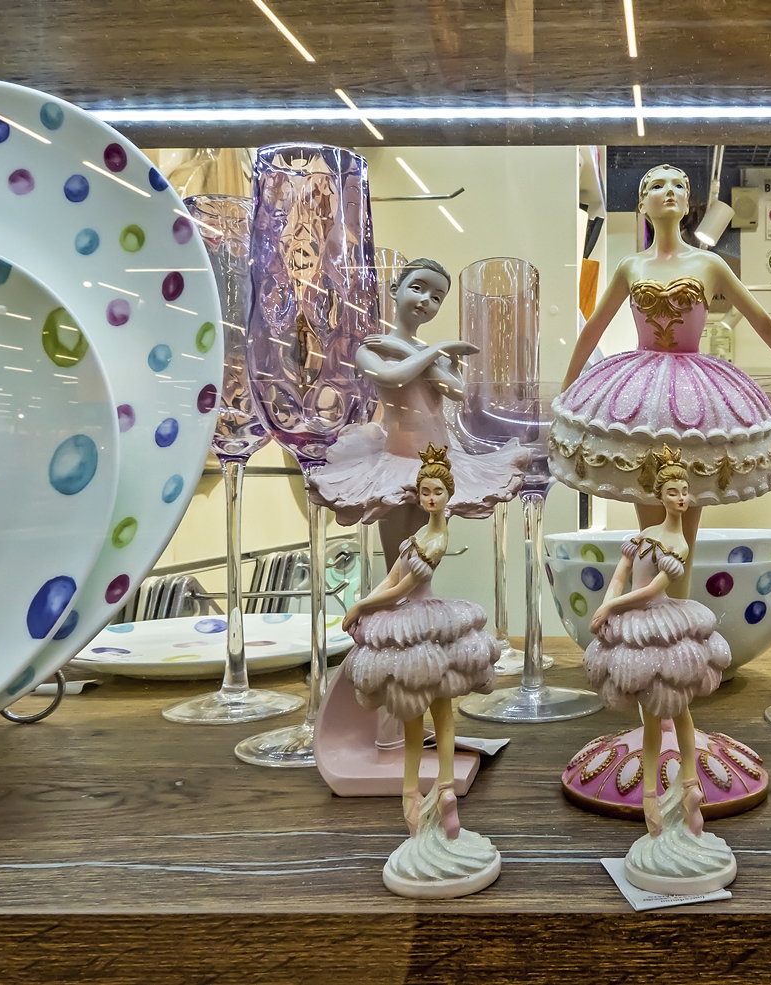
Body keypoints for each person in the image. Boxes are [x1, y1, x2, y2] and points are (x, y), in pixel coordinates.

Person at [550, 164, 771, 593]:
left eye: (678, 185)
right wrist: (568, 389)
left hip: (694, 394)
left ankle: (678, 607)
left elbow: (760, 317)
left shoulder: (709, 263)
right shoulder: (631, 266)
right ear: (642, 203)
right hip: (642, 393)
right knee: (649, 512)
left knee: (687, 513)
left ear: (687, 203)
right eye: (656, 185)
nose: (668, 191)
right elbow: (593, 328)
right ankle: (649, 606)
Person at [340, 444, 502, 898]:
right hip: (411, 621)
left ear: (448, 496)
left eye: (437, 492)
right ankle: (414, 793)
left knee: (440, 714)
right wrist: (366, 605)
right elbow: (391, 579)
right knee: (415, 719)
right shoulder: (416, 537)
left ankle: (440, 789)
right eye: (425, 491)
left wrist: (360, 606)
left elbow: (404, 589)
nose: (431, 498)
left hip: (424, 621)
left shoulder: (436, 539)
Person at [583, 445, 736, 893]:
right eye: (673, 491)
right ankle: (651, 794)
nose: (682, 498)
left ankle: (688, 784)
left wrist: (612, 606)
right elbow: (621, 573)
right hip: (634, 621)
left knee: (678, 708)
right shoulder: (645, 533)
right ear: (660, 495)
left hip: (661, 620)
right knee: (652, 716)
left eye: (685, 491)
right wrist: (606, 604)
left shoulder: (679, 543)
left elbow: (652, 589)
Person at [309, 257, 528, 566]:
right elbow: (391, 377)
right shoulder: (373, 348)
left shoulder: (427, 354)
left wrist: (416, 351)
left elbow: (456, 390)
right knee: (398, 557)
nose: (426, 300)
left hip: (441, 461)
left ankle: (421, 595)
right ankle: (393, 595)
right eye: (418, 288)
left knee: (427, 552)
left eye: (436, 297)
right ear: (395, 290)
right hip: (399, 460)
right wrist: (434, 351)